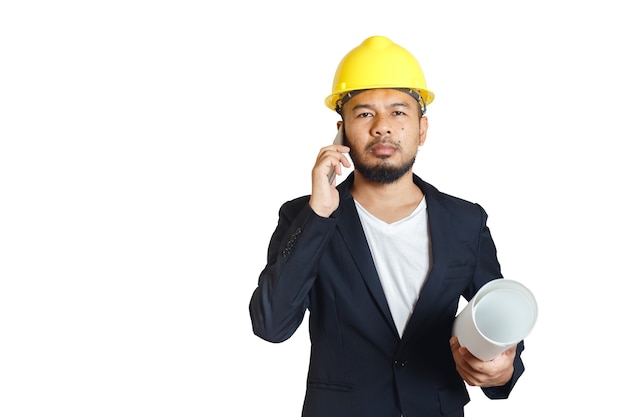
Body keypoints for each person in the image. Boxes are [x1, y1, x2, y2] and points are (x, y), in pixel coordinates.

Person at [249, 35, 525, 417]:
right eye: (364, 114)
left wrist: (503, 369)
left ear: (422, 129)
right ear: (342, 131)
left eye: (398, 112)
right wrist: (318, 215)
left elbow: (499, 312)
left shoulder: (464, 221)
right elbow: (271, 325)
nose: (382, 127)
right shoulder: (306, 217)